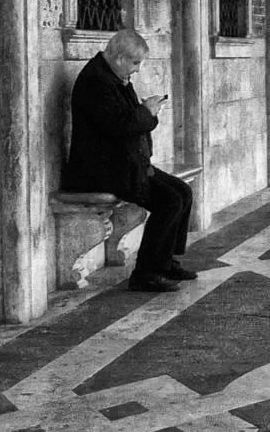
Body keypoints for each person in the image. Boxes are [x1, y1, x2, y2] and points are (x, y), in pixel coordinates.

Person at [63, 28, 195, 292]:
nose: (136, 70)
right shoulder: (95, 81)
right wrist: (147, 111)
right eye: (135, 63)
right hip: (102, 171)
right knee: (169, 201)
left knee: (183, 191)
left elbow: (130, 119)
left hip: (126, 164)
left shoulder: (113, 77)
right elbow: (120, 125)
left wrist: (147, 110)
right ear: (120, 57)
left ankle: (165, 260)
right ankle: (146, 273)